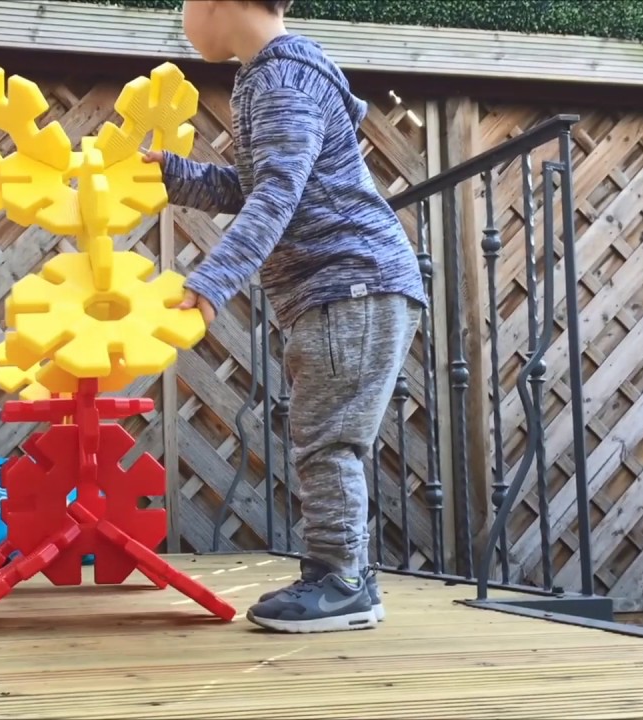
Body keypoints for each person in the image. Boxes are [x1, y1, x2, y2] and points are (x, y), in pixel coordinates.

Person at [144, 0, 427, 633]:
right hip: (349, 285)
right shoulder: (274, 75)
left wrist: (215, 278)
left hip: (350, 284)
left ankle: (339, 582)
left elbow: (277, 194)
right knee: (328, 437)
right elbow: (262, 183)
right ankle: (346, 576)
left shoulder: (280, 78)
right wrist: (175, 175)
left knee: (325, 439)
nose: (181, 15)